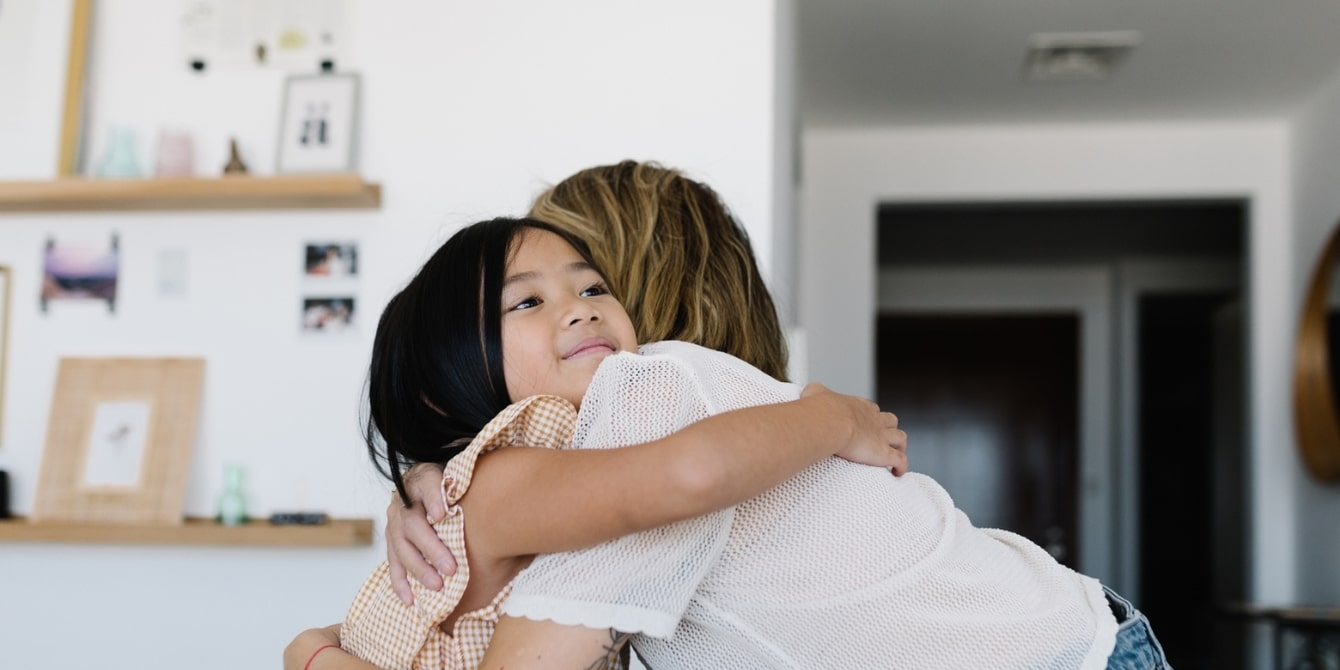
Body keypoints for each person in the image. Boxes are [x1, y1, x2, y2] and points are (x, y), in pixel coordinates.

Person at [285, 211, 908, 670]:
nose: (580, 309)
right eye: (527, 301)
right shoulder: (499, 484)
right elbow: (689, 472)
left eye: (591, 288)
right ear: (443, 380)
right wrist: (833, 420)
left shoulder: (534, 473)